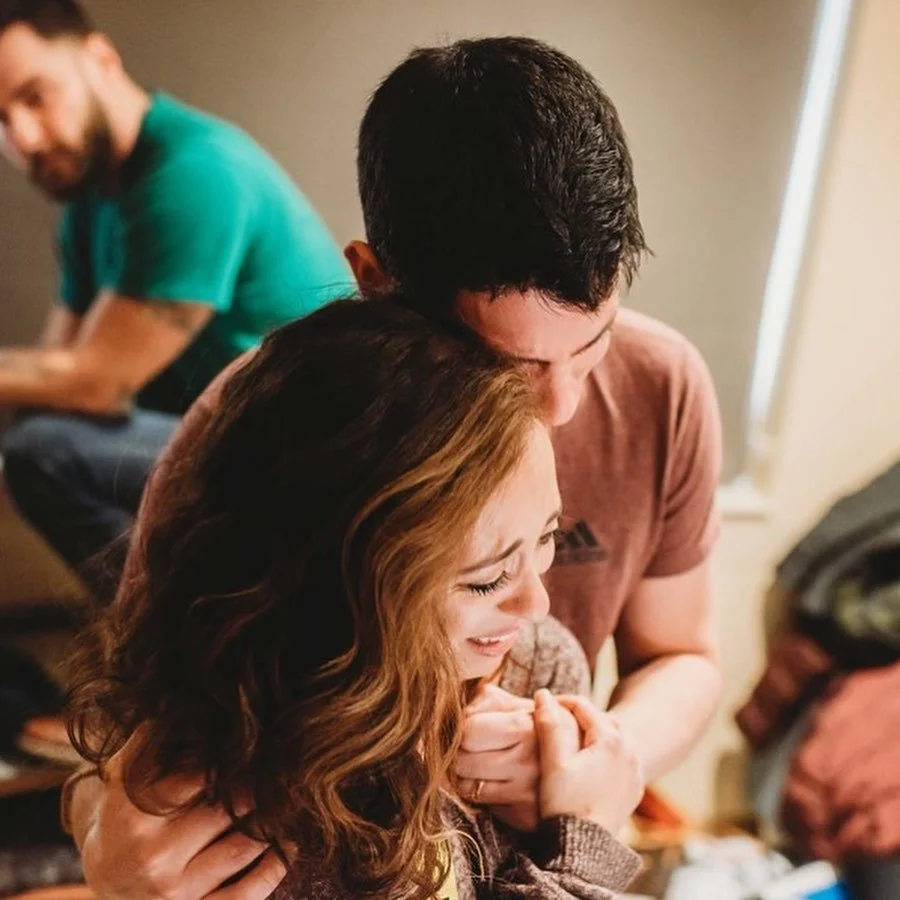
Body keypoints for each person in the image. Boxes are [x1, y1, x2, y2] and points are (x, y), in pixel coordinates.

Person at [67, 36, 723, 898]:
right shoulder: (266, 427)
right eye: (508, 365)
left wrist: (598, 760)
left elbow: (681, 655)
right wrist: (110, 847)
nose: (559, 407)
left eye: (592, 345)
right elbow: (144, 716)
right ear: (376, 285)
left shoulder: (664, 388)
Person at [66, 296, 644, 900]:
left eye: (548, 538)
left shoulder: (537, 664)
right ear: (338, 588)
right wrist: (586, 844)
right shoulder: (254, 807)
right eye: (485, 579)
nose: (536, 604)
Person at [0, 0, 351, 588]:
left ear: (101, 59)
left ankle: (165, 646)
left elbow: (96, 380)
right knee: (29, 443)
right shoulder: (89, 206)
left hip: (311, 457)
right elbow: (54, 378)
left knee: (44, 453)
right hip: (221, 435)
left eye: (35, 96)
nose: (25, 139)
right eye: (2, 121)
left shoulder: (192, 171)